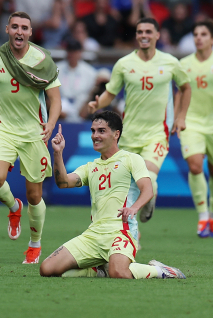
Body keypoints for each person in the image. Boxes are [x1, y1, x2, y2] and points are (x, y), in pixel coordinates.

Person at [39, 112, 186, 279]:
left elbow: (148, 190)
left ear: (116, 134)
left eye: (101, 131)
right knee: (47, 269)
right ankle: (98, 271)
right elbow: (63, 182)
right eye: (93, 131)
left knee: (118, 272)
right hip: (93, 234)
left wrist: (134, 208)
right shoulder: (90, 167)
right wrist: (58, 153)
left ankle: (161, 271)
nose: (95, 135)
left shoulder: (131, 159)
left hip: (121, 232)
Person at [0, 11, 61, 264]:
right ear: (7, 29)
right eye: (15, 27)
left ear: (31, 32)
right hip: (4, 129)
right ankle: (14, 207)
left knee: (34, 196)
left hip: (34, 133)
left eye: (25, 28)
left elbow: (55, 98)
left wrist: (51, 122)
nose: (20, 31)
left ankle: (34, 244)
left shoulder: (43, 60)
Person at [88, 18, 191, 223]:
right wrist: (99, 104)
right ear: (136, 36)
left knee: (148, 177)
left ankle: (147, 200)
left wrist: (180, 117)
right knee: (127, 188)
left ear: (157, 35)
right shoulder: (124, 64)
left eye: (148, 31)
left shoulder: (170, 62)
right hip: (129, 134)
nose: (144, 35)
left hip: (157, 134)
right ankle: (134, 233)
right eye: (140, 32)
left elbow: (186, 87)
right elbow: (111, 92)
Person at [178, 20, 213, 237]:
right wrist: (179, 117)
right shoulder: (183, 63)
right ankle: (202, 216)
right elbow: (180, 91)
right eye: (195, 34)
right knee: (194, 166)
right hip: (191, 122)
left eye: (203, 34)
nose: (198, 37)